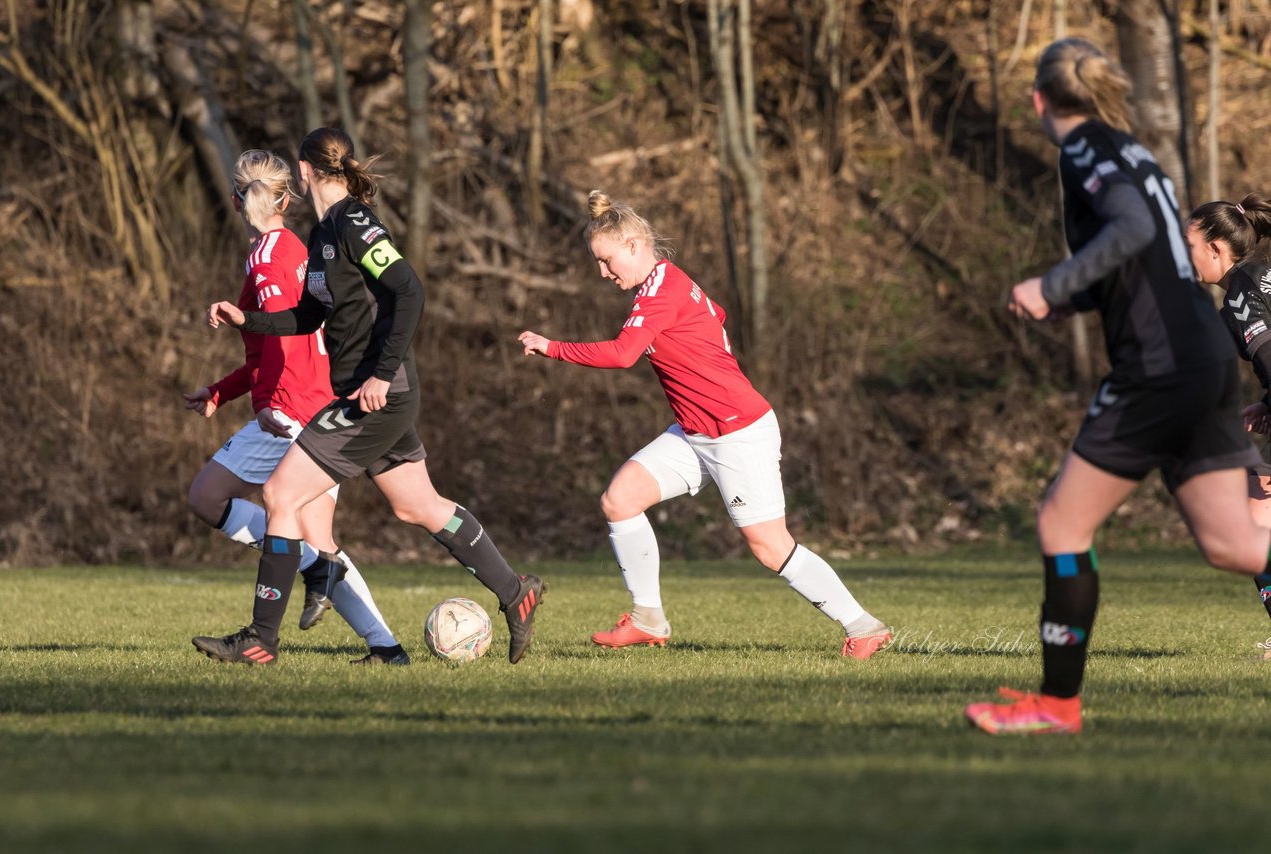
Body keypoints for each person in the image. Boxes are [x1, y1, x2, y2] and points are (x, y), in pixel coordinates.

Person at [964, 39, 1271, 735]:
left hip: (1160, 368)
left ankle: (1057, 705)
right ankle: (1055, 705)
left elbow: (1132, 230)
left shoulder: (1087, 152)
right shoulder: (1132, 151)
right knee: (1231, 543)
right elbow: (1144, 261)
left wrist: (1052, 283)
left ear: (1040, 100)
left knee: (1060, 523)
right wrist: (1069, 299)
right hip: (1202, 355)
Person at [198, 128, 544, 665]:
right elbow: (307, 317)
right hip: (371, 393)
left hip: (377, 393)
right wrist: (249, 318)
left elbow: (409, 290)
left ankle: (261, 639)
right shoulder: (322, 234)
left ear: (305, 170)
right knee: (416, 506)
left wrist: (382, 374)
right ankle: (514, 592)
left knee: (281, 497)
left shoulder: (354, 221)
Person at [518, 190, 890, 659]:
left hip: (736, 432)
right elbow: (716, 315)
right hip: (695, 431)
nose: (603, 273)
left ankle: (864, 626)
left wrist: (552, 346)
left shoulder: (659, 292)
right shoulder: (667, 283)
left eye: (607, 260)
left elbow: (622, 354)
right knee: (620, 500)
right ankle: (648, 618)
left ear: (633, 245)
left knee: (770, 547)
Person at [186, 149, 408, 666]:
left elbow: (288, 342)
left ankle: (306, 580)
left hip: (292, 405)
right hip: (318, 400)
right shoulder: (295, 248)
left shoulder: (268, 255)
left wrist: (265, 403)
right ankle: (386, 647)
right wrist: (223, 391)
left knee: (207, 497)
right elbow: (273, 340)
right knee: (316, 535)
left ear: (241, 199)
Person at [1185, 192, 1271, 644]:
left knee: (1254, 526)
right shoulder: (1260, 278)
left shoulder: (1243, 291)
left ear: (1216, 247)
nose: (1187, 256)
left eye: (1190, 245)